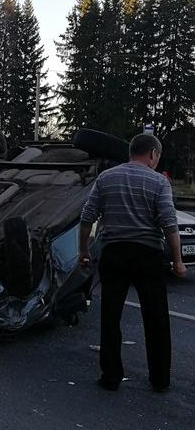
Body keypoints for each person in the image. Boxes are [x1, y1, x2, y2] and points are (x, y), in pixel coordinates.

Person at [79, 133, 186, 393]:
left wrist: (83, 252)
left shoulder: (106, 178)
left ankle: (111, 376)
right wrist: (178, 262)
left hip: (113, 253)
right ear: (152, 154)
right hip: (147, 256)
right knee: (156, 318)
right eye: (158, 157)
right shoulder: (158, 182)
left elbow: (87, 217)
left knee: (111, 315)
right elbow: (169, 225)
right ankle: (160, 380)